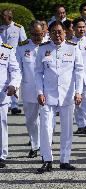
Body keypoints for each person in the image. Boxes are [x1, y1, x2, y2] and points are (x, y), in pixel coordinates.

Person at [35, 21, 84, 173]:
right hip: (48, 94)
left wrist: (78, 91)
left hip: (67, 94)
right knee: (45, 128)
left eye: (60, 32)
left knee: (67, 129)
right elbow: (37, 72)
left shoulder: (73, 48)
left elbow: (79, 71)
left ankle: (65, 159)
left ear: (65, 32)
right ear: (48, 33)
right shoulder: (43, 49)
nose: (57, 35)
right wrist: (39, 92)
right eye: (54, 32)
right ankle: (47, 159)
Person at [16, 21, 45, 158]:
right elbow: (17, 70)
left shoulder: (48, 46)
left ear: (44, 33)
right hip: (29, 89)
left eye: (39, 35)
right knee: (31, 120)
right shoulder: (22, 48)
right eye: (34, 35)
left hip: (46, 90)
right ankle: (35, 145)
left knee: (46, 120)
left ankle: (45, 146)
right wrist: (15, 87)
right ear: (29, 33)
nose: (37, 38)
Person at [71, 18, 86, 135]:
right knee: (77, 103)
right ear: (74, 28)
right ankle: (80, 125)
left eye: (83, 27)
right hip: (74, 78)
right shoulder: (69, 43)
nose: (82, 29)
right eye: (79, 27)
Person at [0, 9, 27, 115]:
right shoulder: (1, 28)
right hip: (3, 57)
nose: (2, 18)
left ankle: (14, 105)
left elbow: (23, 42)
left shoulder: (19, 28)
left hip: (15, 57)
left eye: (3, 16)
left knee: (15, 79)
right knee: (5, 79)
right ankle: (6, 101)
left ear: (10, 17)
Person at [0, 42, 21, 168]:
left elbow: (15, 70)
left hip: (1, 94)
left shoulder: (6, 49)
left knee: (1, 125)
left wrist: (13, 84)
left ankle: (1, 155)